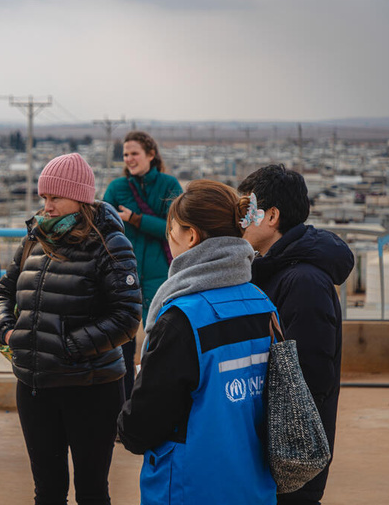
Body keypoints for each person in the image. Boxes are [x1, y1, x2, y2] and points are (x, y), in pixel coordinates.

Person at [0, 153, 142, 504]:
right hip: (34, 386)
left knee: (90, 491)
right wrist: (7, 332)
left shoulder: (109, 243)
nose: (48, 206)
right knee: (47, 491)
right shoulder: (34, 239)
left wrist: (67, 347)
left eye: (55, 197)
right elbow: (3, 292)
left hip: (90, 388)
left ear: (80, 198)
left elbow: (127, 316)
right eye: (44, 198)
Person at [117, 179, 278, 504]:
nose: (169, 240)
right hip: (254, 486)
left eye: (171, 231)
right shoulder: (263, 305)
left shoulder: (181, 319)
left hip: (189, 486)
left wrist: (124, 421)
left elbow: (142, 425)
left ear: (191, 236)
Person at [238, 164, 354, 505]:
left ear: (271, 216)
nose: (241, 221)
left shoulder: (303, 282)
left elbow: (309, 381)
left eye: (247, 211)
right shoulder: (277, 270)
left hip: (292, 454)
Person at [102, 131, 182, 401]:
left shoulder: (169, 185)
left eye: (135, 153)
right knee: (121, 346)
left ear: (151, 155)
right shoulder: (116, 188)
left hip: (160, 276)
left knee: (159, 344)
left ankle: (152, 406)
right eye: (126, 154)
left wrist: (136, 219)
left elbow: (175, 229)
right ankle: (122, 407)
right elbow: (102, 229)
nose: (129, 159)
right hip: (123, 273)